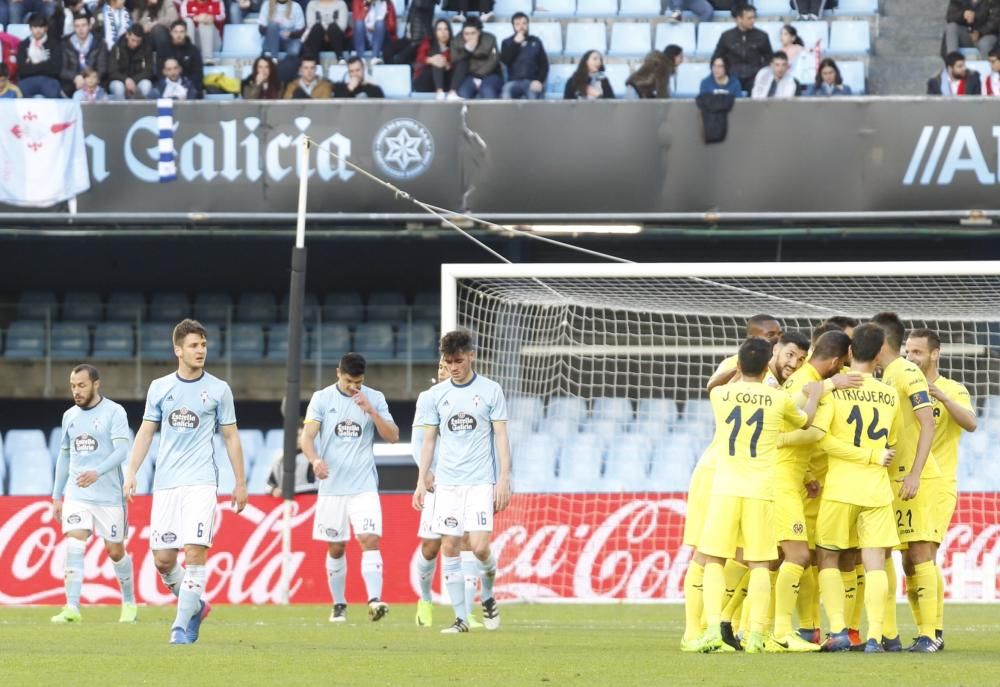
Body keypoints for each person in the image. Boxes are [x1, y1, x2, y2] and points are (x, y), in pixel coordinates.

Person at [691, 338, 822, 654]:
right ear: (768, 364)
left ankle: (711, 631)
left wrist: (732, 372)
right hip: (761, 490)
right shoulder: (777, 400)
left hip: (724, 488)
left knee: (713, 561)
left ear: (739, 365)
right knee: (761, 563)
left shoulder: (720, 395)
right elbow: (806, 421)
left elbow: (715, 384)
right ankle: (755, 636)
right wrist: (815, 395)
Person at [123, 318, 248, 645]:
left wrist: (240, 482)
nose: (200, 351)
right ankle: (195, 607)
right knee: (164, 560)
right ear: (178, 349)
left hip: (201, 484)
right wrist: (131, 471)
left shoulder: (219, 390)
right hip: (166, 484)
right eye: (194, 345)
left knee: (194, 551)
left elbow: (231, 437)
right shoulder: (160, 387)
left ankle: (179, 627)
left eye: (203, 345)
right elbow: (146, 432)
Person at [680, 314, 785, 652]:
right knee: (707, 554)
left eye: (778, 335)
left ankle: (729, 627)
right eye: (769, 335)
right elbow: (714, 388)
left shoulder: (774, 373)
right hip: (717, 471)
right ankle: (694, 631)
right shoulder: (738, 367)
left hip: (744, 477)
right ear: (750, 338)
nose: (775, 340)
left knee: (741, 557)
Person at [769, 330, 863, 652]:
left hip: (793, 479)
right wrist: (827, 389)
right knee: (792, 555)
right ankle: (777, 632)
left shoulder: (809, 380)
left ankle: (769, 629)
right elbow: (807, 432)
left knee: (783, 557)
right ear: (836, 361)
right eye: (843, 365)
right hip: (780, 478)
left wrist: (807, 472)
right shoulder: (806, 384)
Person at [413, 330, 512, 634]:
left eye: (458, 361)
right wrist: (421, 480)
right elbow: (428, 440)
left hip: (481, 482)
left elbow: (501, 436)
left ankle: (490, 593)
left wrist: (504, 479)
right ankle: (460, 618)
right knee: (450, 545)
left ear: (471, 356)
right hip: (448, 484)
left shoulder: (491, 390)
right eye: (448, 362)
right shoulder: (434, 396)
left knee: (480, 547)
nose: (454, 367)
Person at [812, 323, 901, 653]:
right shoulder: (890, 393)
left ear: (849, 352)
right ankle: (875, 637)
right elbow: (891, 443)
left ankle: (837, 630)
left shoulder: (834, 389)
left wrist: (865, 455)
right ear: (879, 354)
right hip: (876, 489)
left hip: (840, 488)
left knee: (828, 557)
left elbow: (823, 440)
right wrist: (875, 455)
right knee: (875, 561)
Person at [301, 353, 399, 623]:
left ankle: (375, 600)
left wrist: (372, 411)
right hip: (332, 486)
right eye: (348, 381)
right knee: (336, 547)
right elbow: (307, 437)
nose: (354, 387)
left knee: (369, 538)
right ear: (338, 374)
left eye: (358, 382)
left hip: (363, 485)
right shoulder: (322, 399)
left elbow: (393, 436)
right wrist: (315, 459)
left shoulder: (374, 397)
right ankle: (339, 603)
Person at [870, 312, 942, 653]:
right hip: (889, 478)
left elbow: (927, 423)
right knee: (888, 553)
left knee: (918, 554)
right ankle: (889, 634)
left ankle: (930, 635)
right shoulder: (885, 376)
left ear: (882, 343)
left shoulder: (907, 371)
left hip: (915, 477)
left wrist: (914, 473)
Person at [905, 328, 977, 650]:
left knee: (924, 555)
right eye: (908, 352)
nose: (911, 358)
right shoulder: (903, 386)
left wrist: (944, 399)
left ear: (935, 354)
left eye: (917, 352)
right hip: (907, 481)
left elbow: (971, 424)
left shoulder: (953, 389)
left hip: (939, 484)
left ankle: (932, 633)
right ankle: (925, 629)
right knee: (909, 561)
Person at [49, 364, 137, 625]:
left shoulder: (114, 412)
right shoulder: (69, 416)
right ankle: (72, 607)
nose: (76, 391)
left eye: (82, 385)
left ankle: (130, 602)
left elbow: (122, 451)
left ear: (96, 384)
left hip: (109, 496)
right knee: (74, 543)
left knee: (115, 551)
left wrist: (97, 472)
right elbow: (64, 455)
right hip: (77, 494)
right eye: (73, 386)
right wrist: (56, 496)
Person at [712, 3, 772, 94]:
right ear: (739, 19)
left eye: (753, 17)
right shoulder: (727, 37)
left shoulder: (762, 36)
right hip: (732, 77)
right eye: (749, 18)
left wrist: (761, 73)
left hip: (755, 77)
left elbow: (769, 58)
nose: (753, 21)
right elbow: (716, 57)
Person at [448, 17, 502, 99]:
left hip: (491, 75)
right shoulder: (457, 41)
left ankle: (492, 112)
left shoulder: (490, 39)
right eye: (466, 34)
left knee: (487, 90)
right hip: (469, 76)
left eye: (473, 33)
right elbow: (455, 60)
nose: (470, 37)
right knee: (463, 93)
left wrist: (479, 76)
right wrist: (467, 50)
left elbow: (494, 59)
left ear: (479, 32)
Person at [499, 12, 548, 100]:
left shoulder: (536, 41)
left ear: (528, 24)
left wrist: (539, 80)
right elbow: (505, 60)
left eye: (524, 23)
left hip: (532, 81)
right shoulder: (506, 42)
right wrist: (515, 44)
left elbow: (544, 65)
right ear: (513, 26)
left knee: (533, 96)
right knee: (506, 93)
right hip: (513, 82)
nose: (521, 26)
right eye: (517, 24)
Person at [61, 10, 108, 97]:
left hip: (94, 82)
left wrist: (89, 79)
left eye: (83, 25)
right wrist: (75, 77)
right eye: (77, 26)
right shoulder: (65, 43)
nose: (80, 29)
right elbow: (62, 69)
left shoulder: (99, 43)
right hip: (72, 84)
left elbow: (102, 68)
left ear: (89, 26)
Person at [16, 13, 63, 98]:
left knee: (53, 93)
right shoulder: (23, 44)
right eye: (35, 27)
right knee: (20, 93)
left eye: (41, 27)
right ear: (30, 28)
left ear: (46, 28)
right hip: (27, 80)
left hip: (49, 79)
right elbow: (22, 69)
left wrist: (32, 66)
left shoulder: (54, 44)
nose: (38, 30)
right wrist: (45, 64)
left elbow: (55, 69)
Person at [266, 424, 318, 497]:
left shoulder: (315, 460)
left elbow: (317, 486)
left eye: (302, 435)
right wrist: (273, 490)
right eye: (296, 435)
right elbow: (268, 485)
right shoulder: (279, 461)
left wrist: (291, 491)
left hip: (307, 504)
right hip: (282, 504)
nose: (299, 439)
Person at [157, 19, 204, 97]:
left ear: (186, 33)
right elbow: (159, 71)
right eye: (175, 32)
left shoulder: (194, 50)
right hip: (167, 84)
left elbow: (198, 73)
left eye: (181, 32)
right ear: (171, 33)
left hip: (188, 85)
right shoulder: (163, 49)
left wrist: (184, 84)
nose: (178, 35)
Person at [108, 24, 154, 99]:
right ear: (127, 35)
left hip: (138, 80)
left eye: (138, 41)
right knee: (118, 87)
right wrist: (126, 80)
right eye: (133, 40)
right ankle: (122, 111)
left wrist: (133, 81)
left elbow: (149, 70)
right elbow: (112, 71)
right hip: (120, 81)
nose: (135, 44)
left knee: (146, 85)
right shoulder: (117, 47)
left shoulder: (146, 48)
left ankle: (140, 110)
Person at [412, 18, 452, 98]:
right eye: (439, 29)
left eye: (446, 29)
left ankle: (440, 91)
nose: (443, 33)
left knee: (440, 61)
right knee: (437, 60)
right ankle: (439, 91)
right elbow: (419, 58)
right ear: (435, 31)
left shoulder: (453, 46)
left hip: (445, 81)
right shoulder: (428, 43)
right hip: (424, 80)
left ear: (449, 32)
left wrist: (447, 65)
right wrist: (431, 60)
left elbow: (456, 64)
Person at [351, 0, 397, 65]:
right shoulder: (358, 1)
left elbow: (392, 27)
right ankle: (361, 58)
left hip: (380, 38)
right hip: (364, 37)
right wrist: (366, 6)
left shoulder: (387, 3)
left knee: (380, 23)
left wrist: (380, 28)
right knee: (359, 24)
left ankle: (375, 57)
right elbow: (356, 19)